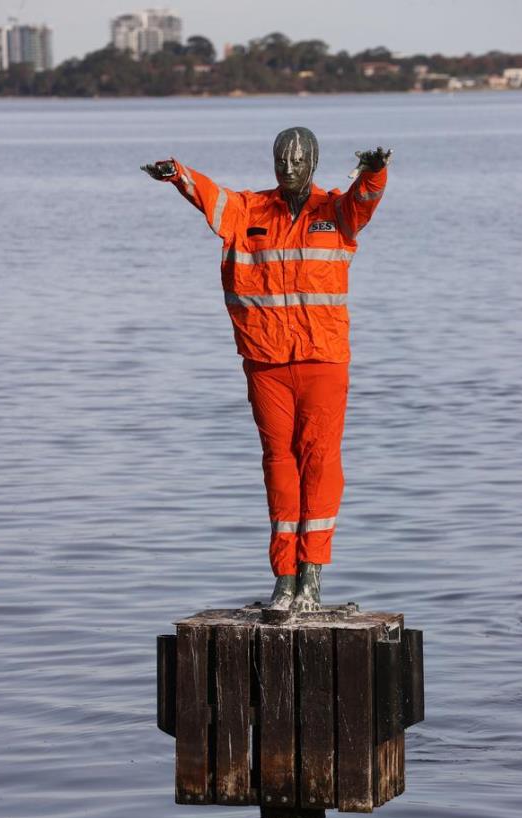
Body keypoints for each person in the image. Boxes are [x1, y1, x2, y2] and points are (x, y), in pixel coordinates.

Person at [142, 127, 390, 612]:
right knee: (279, 467)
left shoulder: (335, 212)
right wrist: (177, 176)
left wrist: (376, 169)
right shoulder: (248, 211)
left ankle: (312, 575)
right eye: (282, 159)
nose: (289, 167)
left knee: (320, 463)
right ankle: (284, 576)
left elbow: (365, 199)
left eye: (299, 160)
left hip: (323, 359)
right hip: (266, 361)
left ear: (314, 163)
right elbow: (208, 195)